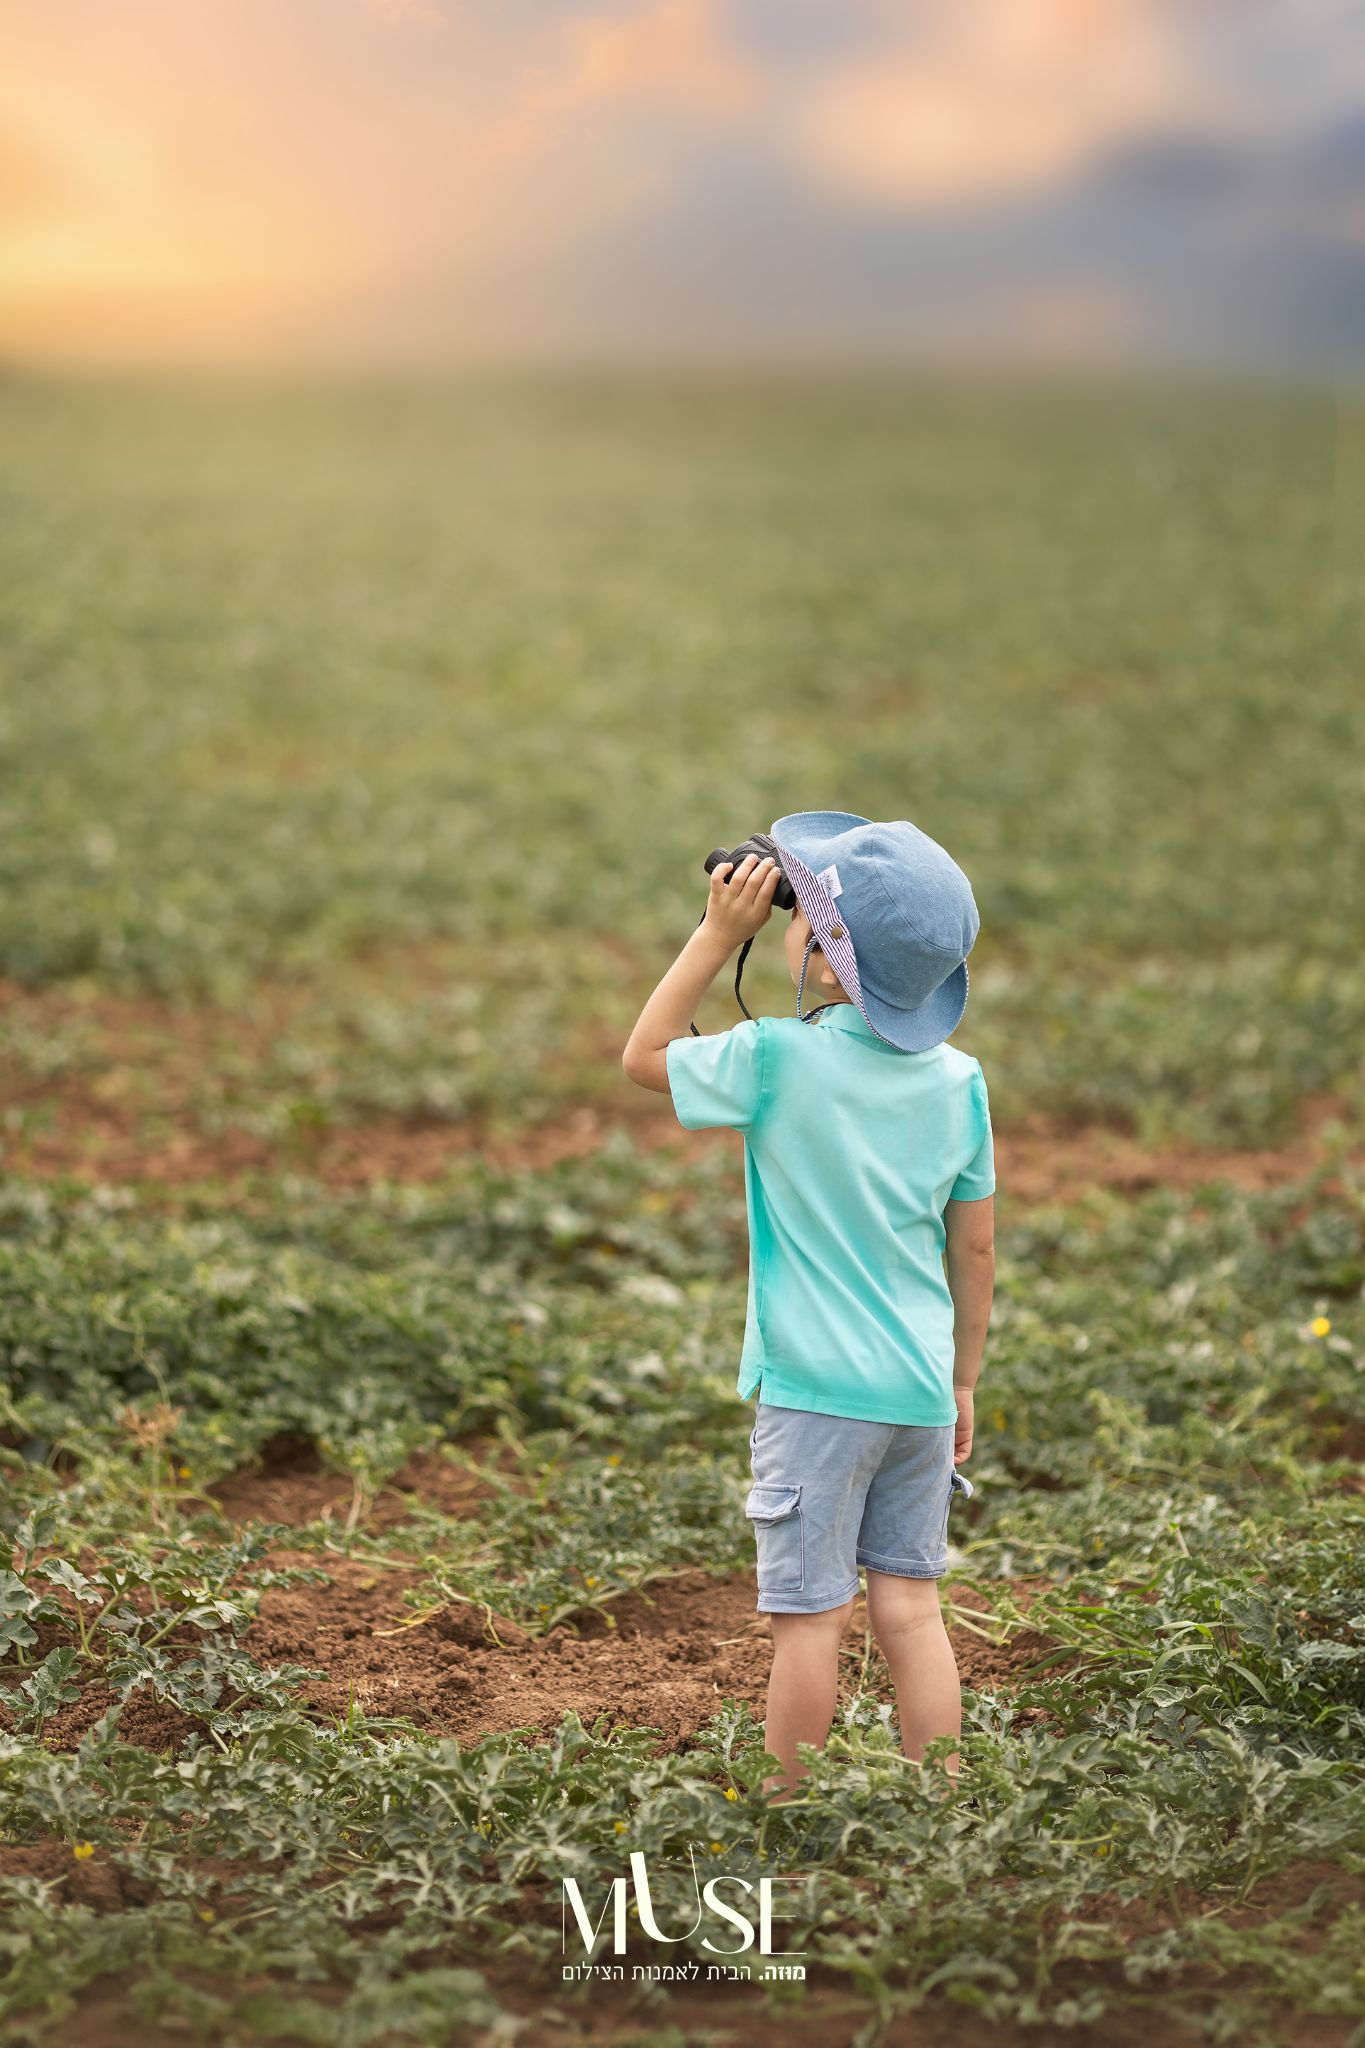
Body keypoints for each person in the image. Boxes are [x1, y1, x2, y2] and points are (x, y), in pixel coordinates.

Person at [622, 811, 996, 1799]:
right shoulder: (961, 1080)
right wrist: (962, 1378)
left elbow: (644, 1055)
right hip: (919, 1389)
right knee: (911, 1609)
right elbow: (978, 1247)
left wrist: (715, 934)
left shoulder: (776, 1059)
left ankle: (784, 1811)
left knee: (811, 1620)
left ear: (830, 968)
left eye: (810, 918)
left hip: (816, 1395)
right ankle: (941, 1804)